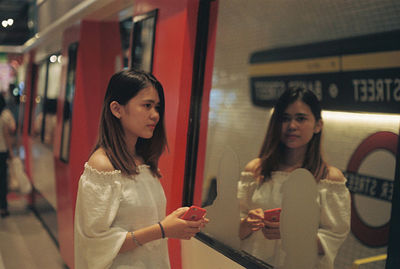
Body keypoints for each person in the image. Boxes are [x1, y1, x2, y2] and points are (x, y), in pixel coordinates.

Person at [74, 69, 208, 269]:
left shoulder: (142, 161)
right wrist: (163, 230)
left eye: (157, 107)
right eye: (147, 106)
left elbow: (141, 222)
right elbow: (95, 242)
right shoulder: (102, 166)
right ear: (117, 109)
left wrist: (176, 222)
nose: (155, 115)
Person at [238, 87, 350, 268]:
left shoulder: (329, 179)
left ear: (318, 125)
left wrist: (293, 233)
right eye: (285, 118)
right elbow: (235, 228)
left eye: (301, 118)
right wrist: (246, 223)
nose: (291, 126)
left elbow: (333, 238)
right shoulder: (256, 170)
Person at [0, 94, 15, 218]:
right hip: (2, 151)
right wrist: (11, 151)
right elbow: (9, 132)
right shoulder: (5, 115)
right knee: (2, 180)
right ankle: (3, 208)